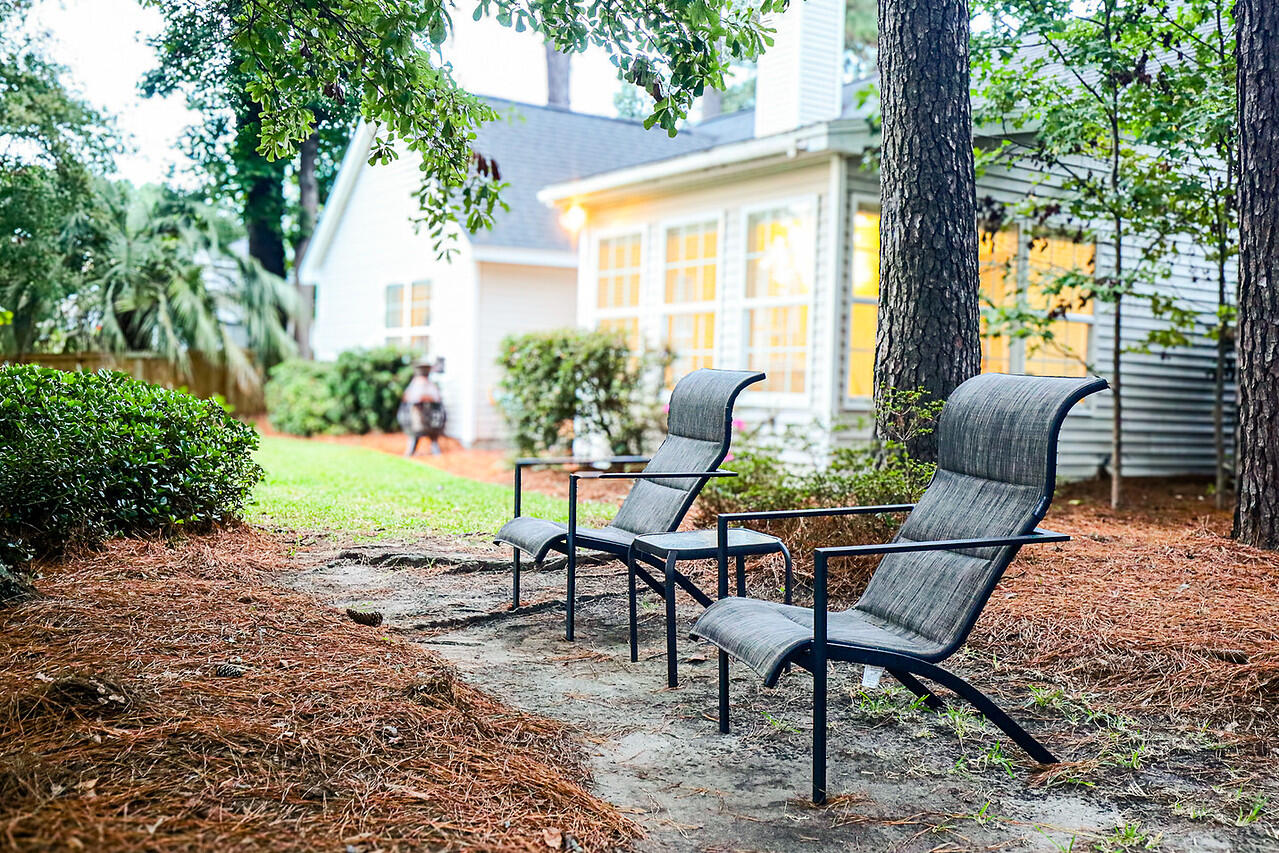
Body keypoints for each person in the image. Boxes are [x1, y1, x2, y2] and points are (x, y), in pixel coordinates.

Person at [398, 357, 446, 456]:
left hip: (430, 424)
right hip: (420, 424)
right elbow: (413, 398)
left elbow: (435, 398)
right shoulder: (419, 385)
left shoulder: (427, 386)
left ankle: (429, 446)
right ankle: (432, 447)